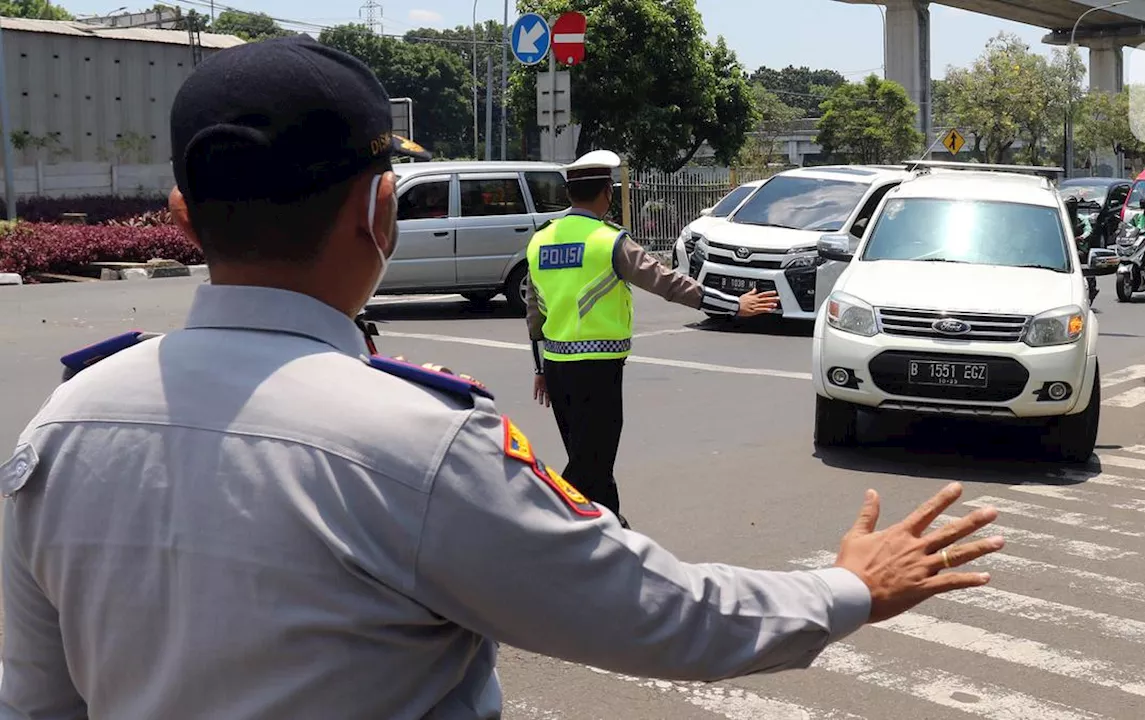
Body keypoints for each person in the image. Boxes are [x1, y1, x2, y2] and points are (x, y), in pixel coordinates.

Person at [0, 36, 1005, 719]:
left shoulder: (65, 423)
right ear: (378, 210)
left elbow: (38, 700)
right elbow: (659, 614)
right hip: (595, 372)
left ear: (181, 212)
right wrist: (845, 589)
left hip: (555, 366)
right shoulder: (415, 443)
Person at [525, 152, 779, 527]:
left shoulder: (540, 240)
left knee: (592, 459)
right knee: (590, 460)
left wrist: (539, 369)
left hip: (557, 369)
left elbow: (534, 314)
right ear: (606, 195)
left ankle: (611, 527)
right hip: (597, 370)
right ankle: (542, 518)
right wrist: (733, 305)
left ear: (568, 194)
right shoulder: (607, 242)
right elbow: (666, 281)